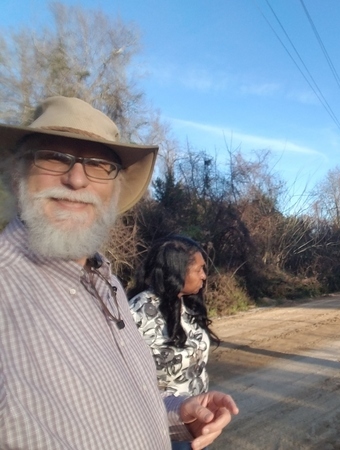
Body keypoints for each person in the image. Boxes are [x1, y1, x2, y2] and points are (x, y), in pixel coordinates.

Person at [0, 96, 238, 450]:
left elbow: (117, 408)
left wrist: (176, 414)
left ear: (115, 189)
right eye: (52, 157)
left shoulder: (106, 281)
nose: (76, 178)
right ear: (18, 173)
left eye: (98, 165)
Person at [129, 236, 219, 397]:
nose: (204, 276)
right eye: (198, 270)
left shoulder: (186, 304)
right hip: (164, 416)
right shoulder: (138, 312)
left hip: (196, 411)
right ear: (177, 271)